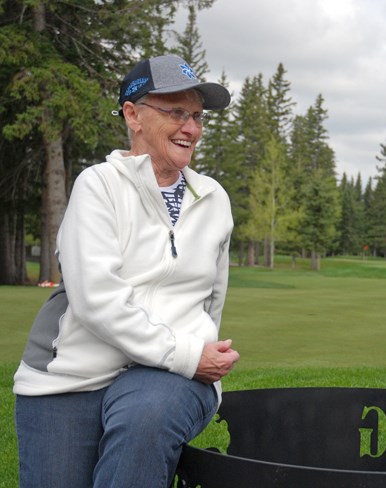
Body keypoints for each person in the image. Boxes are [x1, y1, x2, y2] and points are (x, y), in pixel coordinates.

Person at [13, 54, 240, 488]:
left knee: (148, 415)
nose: (190, 128)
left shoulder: (215, 198)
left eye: (196, 115)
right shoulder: (98, 186)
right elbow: (97, 299)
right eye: (176, 112)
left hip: (167, 377)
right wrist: (189, 354)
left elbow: (213, 299)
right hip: (69, 379)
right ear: (133, 115)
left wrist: (197, 353)